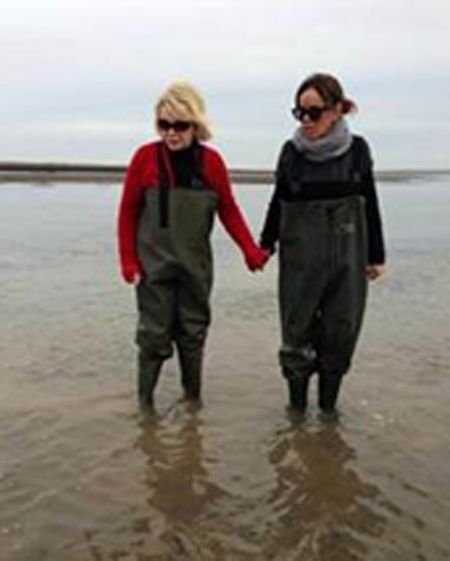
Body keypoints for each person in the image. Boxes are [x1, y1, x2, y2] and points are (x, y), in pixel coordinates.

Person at [118, 82, 268, 410]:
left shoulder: (212, 163)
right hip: (153, 266)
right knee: (154, 336)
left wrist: (250, 251)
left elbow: (228, 209)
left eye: (179, 126)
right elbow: (127, 212)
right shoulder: (144, 159)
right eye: (164, 125)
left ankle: (192, 404)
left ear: (195, 125)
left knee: (193, 333)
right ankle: (146, 408)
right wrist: (128, 261)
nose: (171, 133)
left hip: (194, 266)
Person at [260, 72, 386, 419]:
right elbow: (278, 202)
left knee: (340, 334)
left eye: (314, 112)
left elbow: (370, 202)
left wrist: (376, 255)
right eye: (299, 112)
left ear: (336, 111)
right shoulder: (291, 153)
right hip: (299, 260)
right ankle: (297, 414)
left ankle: (328, 414)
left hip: (348, 258)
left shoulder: (358, 151)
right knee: (296, 338)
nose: (306, 121)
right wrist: (264, 245)